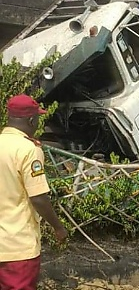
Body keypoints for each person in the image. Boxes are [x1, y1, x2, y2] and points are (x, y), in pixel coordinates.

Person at [0, 94, 68, 290]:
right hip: (18, 247)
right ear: (31, 120)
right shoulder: (29, 150)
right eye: (37, 118)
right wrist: (58, 227)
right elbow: (38, 197)